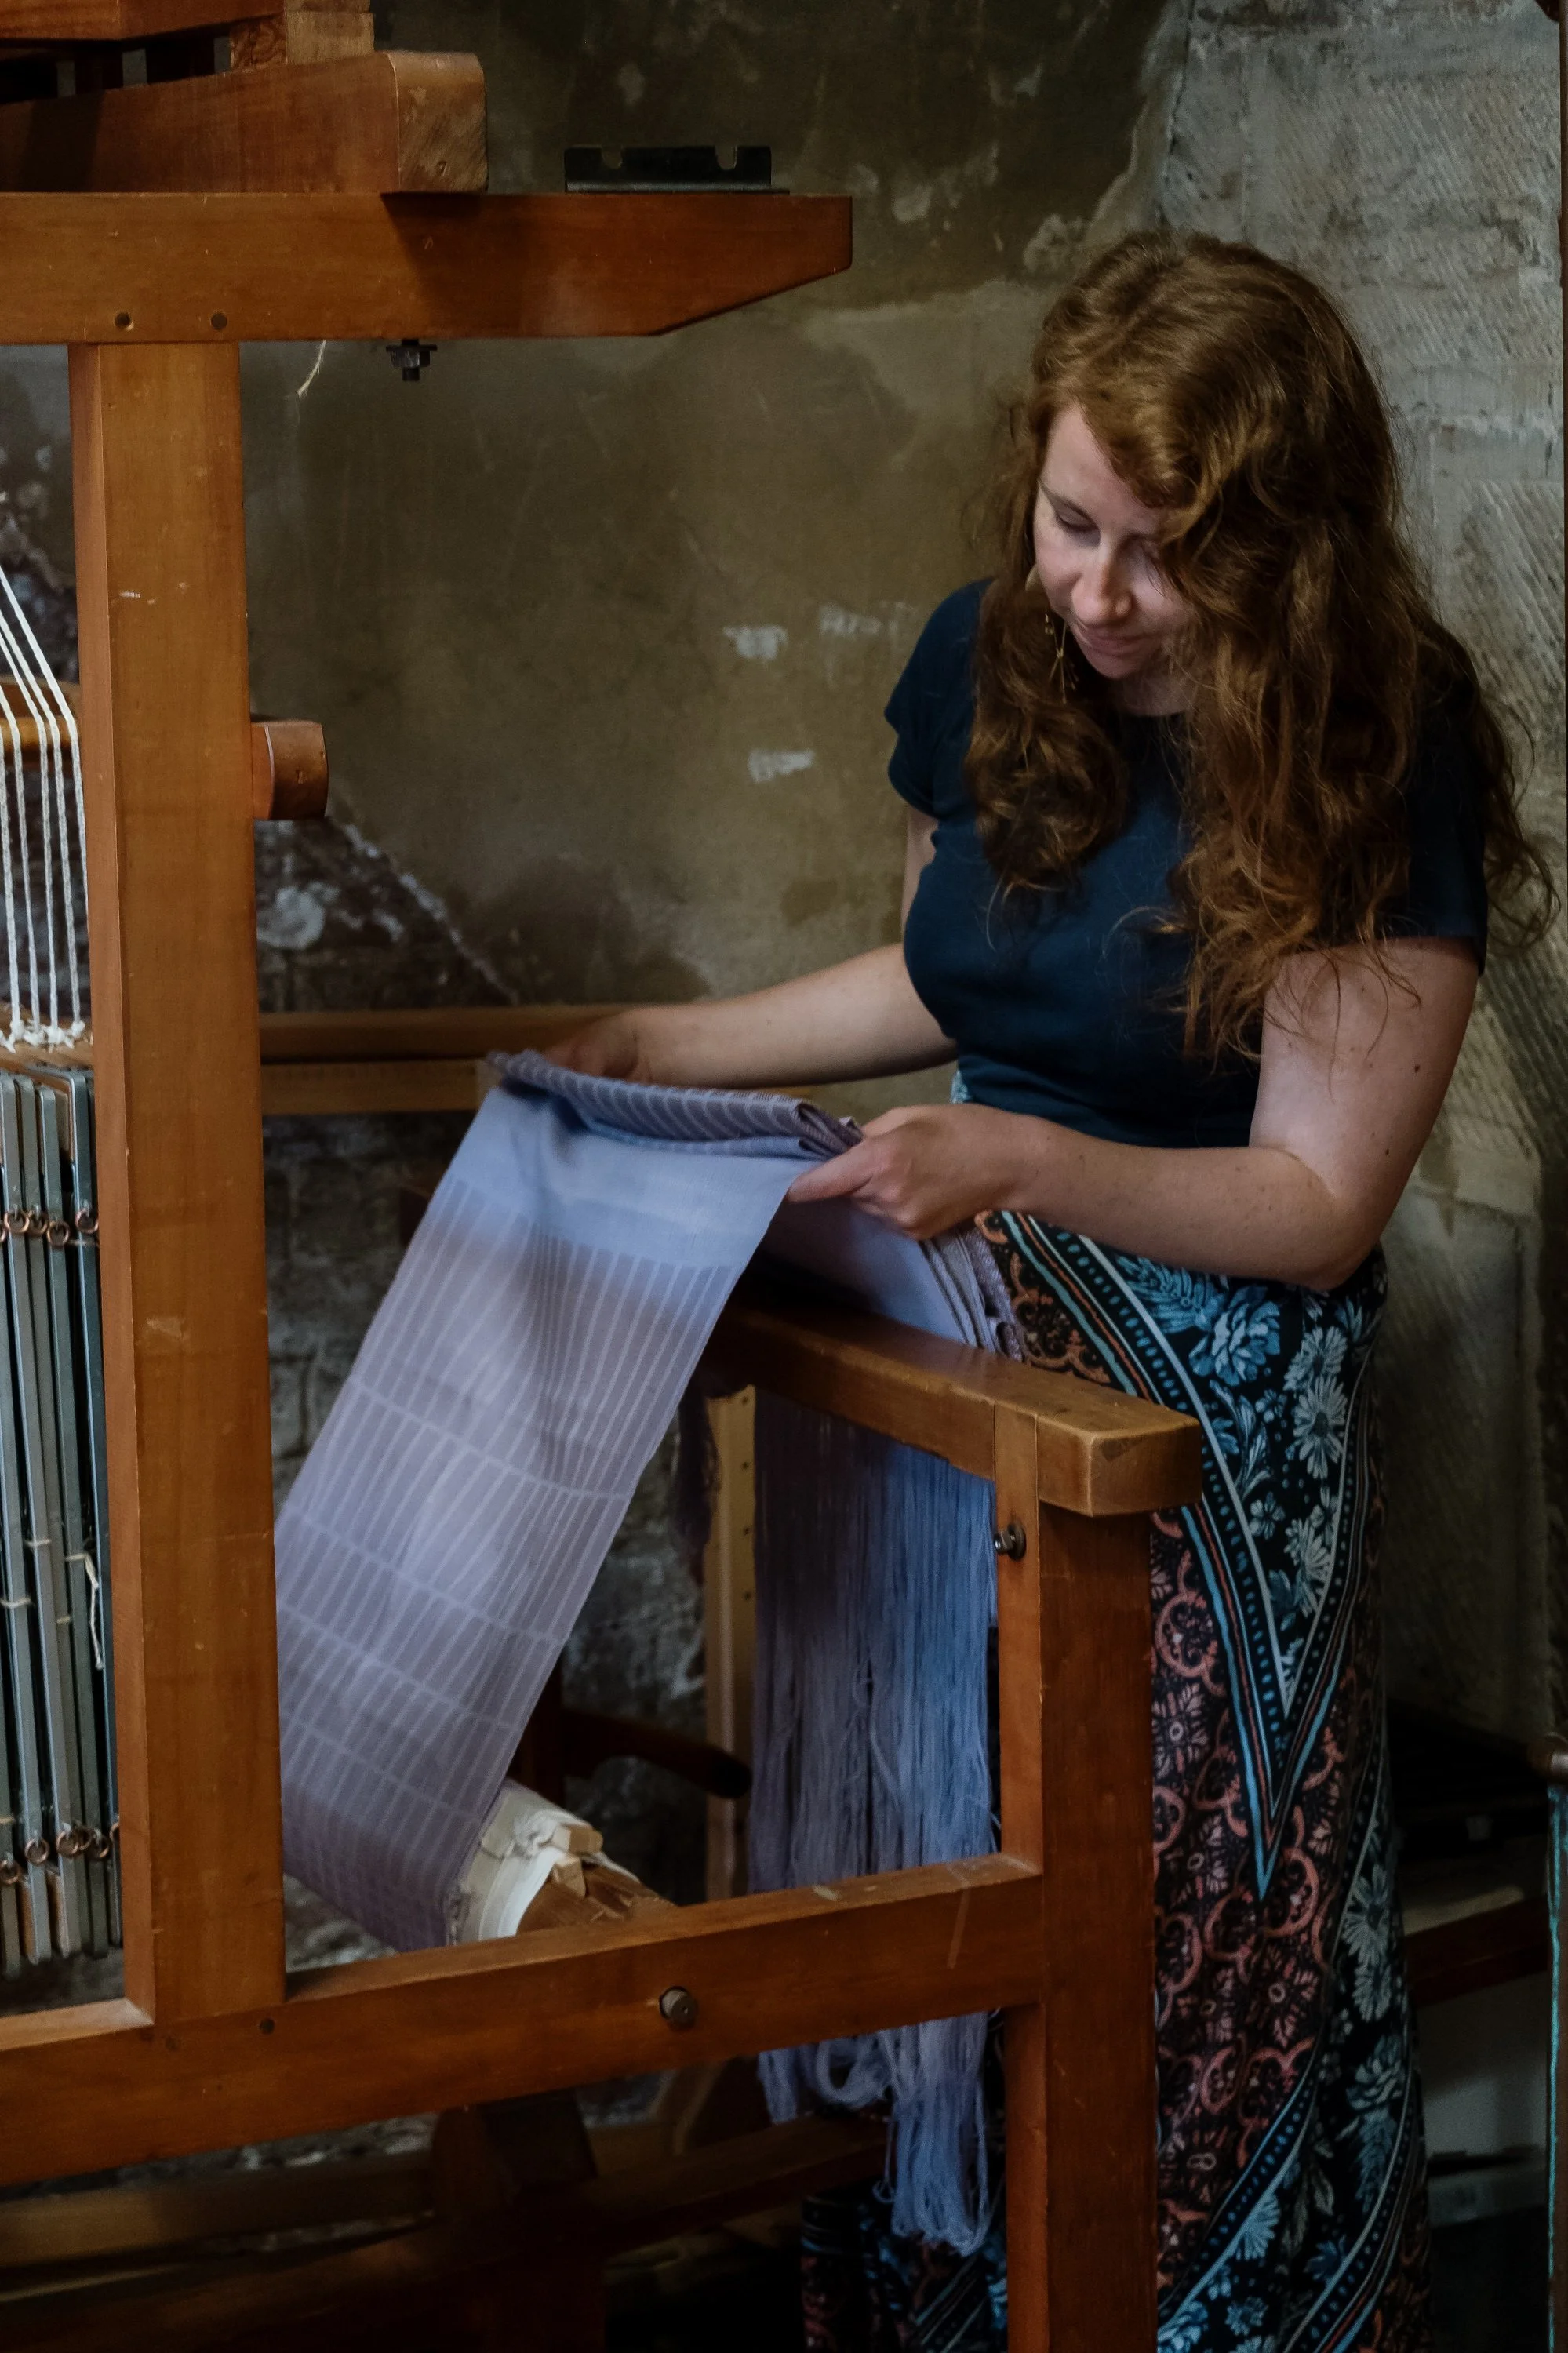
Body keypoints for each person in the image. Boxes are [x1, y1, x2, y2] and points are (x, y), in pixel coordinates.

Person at [549, 232, 1553, 2351]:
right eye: (1072, 521)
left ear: (1281, 554)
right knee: (936, 1871)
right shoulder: (990, 655)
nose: (1098, 594)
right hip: (962, 1358)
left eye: (1164, 556)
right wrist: (661, 1043)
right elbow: (948, 977)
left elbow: (1313, 1204)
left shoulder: (1374, 737)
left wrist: (1012, 1162)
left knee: (1161, 1925)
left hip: (1205, 1435)